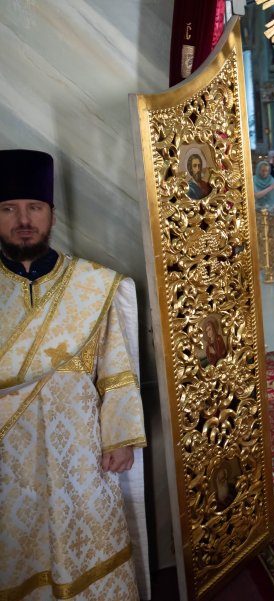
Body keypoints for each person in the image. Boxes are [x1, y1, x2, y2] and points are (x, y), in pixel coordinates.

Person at [0, 150, 147, 599]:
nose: (23, 220)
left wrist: (119, 436)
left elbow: (115, 368)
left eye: (34, 208)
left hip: (80, 447)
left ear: (51, 215)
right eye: (8, 209)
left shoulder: (93, 283)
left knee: (87, 536)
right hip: (7, 453)